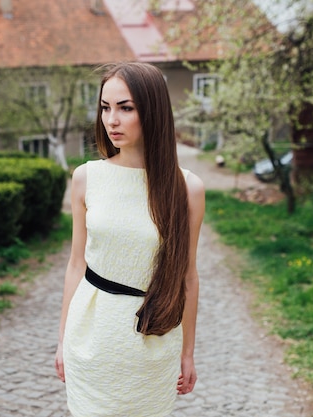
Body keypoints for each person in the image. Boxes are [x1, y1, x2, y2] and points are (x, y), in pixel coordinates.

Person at [54, 62, 205, 417]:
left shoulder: (187, 189)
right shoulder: (86, 177)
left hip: (151, 343)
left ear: (151, 111)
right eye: (105, 107)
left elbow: (188, 278)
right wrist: (62, 340)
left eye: (125, 108)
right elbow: (77, 263)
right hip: (91, 338)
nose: (112, 120)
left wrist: (187, 353)